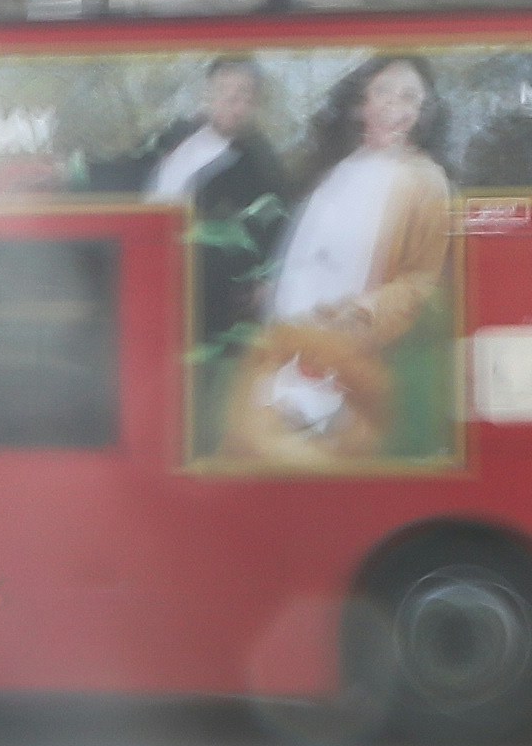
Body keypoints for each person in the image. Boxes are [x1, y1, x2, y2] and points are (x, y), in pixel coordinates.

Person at [221, 53, 458, 471]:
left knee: (319, 467)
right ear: (360, 103)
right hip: (284, 339)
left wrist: (366, 312)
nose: (393, 107)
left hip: (342, 351)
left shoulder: (426, 181)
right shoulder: (337, 171)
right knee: (252, 461)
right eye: (382, 92)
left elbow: (423, 279)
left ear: (422, 114)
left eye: (409, 98)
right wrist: (272, 290)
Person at [136, 51, 291, 346]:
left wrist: (265, 281)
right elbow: (133, 168)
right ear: (208, 95)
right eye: (223, 92)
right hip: (136, 260)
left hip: (193, 289)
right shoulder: (176, 134)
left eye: (242, 94)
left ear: (254, 104)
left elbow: (270, 234)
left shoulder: (259, 166)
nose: (232, 102)